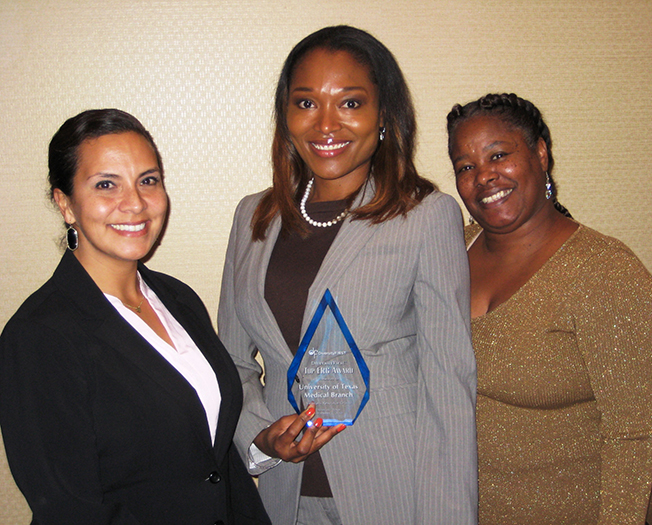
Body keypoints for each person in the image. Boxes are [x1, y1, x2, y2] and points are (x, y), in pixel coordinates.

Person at [218, 25, 477, 525]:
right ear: (286, 116)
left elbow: (448, 386)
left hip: (395, 493)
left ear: (384, 115)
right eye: (306, 103)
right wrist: (261, 436)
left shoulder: (426, 215)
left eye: (351, 103)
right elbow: (232, 361)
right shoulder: (253, 217)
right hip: (285, 497)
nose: (325, 124)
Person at [0, 109, 270, 524]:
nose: (135, 203)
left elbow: (215, 460)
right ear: (65, 203)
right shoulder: (38, 336)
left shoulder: (178, 299)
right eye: (106, 185)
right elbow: (69, 509)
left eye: (148, 180)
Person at [446, 93, 652, 525]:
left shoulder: (605, 271)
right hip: (465, 510)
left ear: (540, 153)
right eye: (465, 167)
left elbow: (633, 437)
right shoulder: (453, 249)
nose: (484, 176)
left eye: (499, 155)